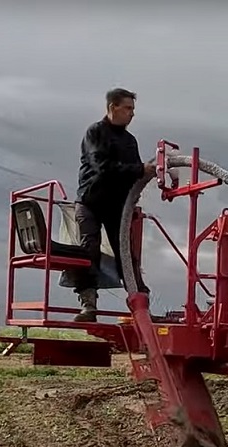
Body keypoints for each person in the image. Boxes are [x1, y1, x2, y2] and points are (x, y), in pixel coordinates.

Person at [69, 87, 156, 322]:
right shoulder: (95, 132)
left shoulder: (130, 141)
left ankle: (141, 304)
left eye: (133, 109)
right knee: (90, 248)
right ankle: (88, 303)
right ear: (112, 108)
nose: (132, 114)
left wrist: (146, 174)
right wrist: (139, 170)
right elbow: (103, 168)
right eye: (127, 108)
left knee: (126, 254)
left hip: (118, 206)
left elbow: (136, 175)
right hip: (91, 201)